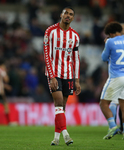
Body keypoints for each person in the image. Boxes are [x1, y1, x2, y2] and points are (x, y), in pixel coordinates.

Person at [43, 7, 81, 146]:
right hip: (54, 74)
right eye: (66, 13)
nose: (68, 16)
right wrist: (52, 76)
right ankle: (66, 135)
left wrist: (77, 80)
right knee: (58, 103)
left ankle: (56, 139)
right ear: (61, 15)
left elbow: (76, 59)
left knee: (62, 108)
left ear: (72, 18)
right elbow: (46, 55)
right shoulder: (50, 31)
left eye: (71, 14)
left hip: (69, 75)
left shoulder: (75, 36)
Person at [100, 21, 124, 140]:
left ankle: (112, 126)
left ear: (111, 33)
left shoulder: (110, 41)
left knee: (103, 104)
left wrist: (106, 44)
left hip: (116, 76)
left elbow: (104, 58)